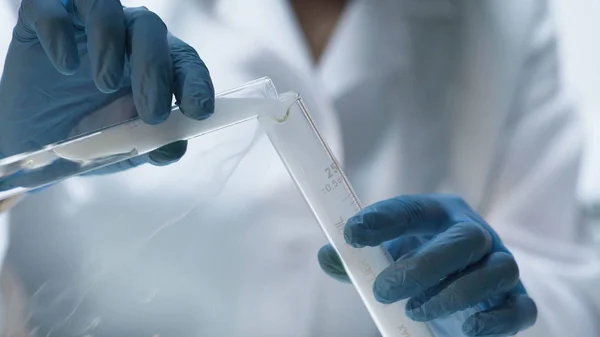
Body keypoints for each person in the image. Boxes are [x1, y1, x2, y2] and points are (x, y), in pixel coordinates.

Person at [0, 0, 599, 336]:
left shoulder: (502, 24)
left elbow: (563, 284)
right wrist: (7, 158)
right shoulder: (64, 19)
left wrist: (499, 310)